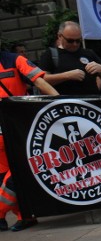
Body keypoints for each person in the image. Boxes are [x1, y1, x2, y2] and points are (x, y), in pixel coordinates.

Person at [0, 47, 58, 231]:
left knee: (16, 173)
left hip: (15, 126)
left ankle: (10, 213)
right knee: (3, 175)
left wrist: (61, 102)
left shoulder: (14, 60)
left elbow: (39, 81)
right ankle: (22, 215)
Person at [39, 21, 101, 95]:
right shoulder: (50, 54)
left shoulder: (89, 53)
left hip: (91, 101)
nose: (75, 44)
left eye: (78, 40)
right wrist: (67, 76)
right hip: (66, 102)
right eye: (70, 41)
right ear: (60, 36)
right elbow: (42, 81)